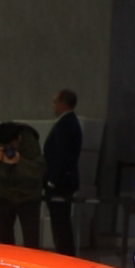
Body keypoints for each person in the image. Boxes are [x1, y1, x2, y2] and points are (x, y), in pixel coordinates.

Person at [0, 120, 44, 248]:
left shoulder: (30, 143)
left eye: (11, 145)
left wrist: (20, 162)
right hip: (4, 194)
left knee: (31, 239)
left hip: (29, 196)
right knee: (0, 238)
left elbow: (39, 170)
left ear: (18, 139)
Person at [43, 89, 82, 257]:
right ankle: (65, 254)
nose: (53, 106)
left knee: (60, 225)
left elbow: (61, 156)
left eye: (55, 102)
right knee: (61, 224)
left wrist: (52, 181)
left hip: (60, 184)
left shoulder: (65, 125)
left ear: (63, 103)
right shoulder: (71, 123)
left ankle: (65, 256)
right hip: (65, 181)